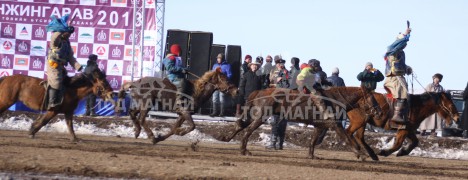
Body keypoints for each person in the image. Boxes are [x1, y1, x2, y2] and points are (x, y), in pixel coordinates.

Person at [46, 14, 82, 110]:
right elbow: (55, 37)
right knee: (56, 81)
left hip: (61, 66)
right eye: (67, 33)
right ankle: (51, 102)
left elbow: (70, 57)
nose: (68, 35)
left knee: (67, 82)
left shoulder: (67, 43)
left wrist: (78, 67)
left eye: (69, 34)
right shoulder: (56, 40)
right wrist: (62, 29)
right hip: (53, 64)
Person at [383, 27, 413, 124]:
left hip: (399, 76)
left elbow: (401, 64)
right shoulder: (392, 50)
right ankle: (397, 115)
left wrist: (407, 68)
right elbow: (397, 43)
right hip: (394, 77)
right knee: (403, 93)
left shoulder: (401, 53)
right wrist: (405, 34)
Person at [163, 44, 189, 112]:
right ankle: (178, 101)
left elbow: (180, 67)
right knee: (182, 84)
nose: (181, 52)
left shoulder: (177, 58)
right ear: (177, 51)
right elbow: (170, 67)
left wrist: (185, 69)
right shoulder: (171, 58)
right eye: (180, 51)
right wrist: (181, 70)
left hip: (179, 76)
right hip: (173, 77)